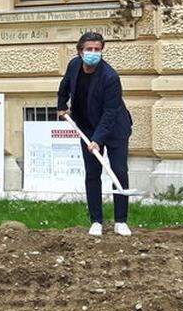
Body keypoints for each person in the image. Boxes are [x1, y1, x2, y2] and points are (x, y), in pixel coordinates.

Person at [57, 31, 134, 237]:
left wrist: (98, 140)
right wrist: (61, 106)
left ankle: (120, 220)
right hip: (87, 126)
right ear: (80, 51)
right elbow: (64, 85)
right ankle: (96, 221)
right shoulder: (74, 66)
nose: (93, 53)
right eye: (89, 49)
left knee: (118, 171)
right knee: (92, 173)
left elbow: (110, 113)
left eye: (97, 50)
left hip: (115, 128)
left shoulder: (110, 77)